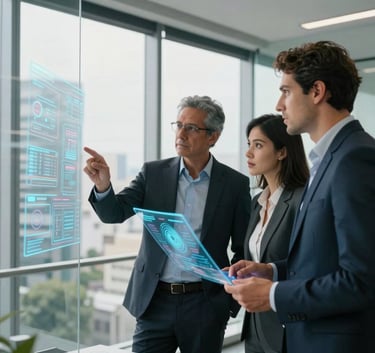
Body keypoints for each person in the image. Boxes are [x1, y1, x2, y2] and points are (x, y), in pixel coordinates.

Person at [224, 40, 375, 353]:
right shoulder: (330, 159)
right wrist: (272, 271)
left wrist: (273, 294)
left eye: (286, 91)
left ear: (317, 92)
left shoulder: (354, 158)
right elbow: (325, 258)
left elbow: (362, 280)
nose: (280, 105)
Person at [83, 95, 251, 353]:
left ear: (213, 137)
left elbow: (243, 249)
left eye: (191, 128)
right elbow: (114, 213)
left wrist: (229, 302)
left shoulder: (234, 184)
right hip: (155, 301)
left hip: (204, 303)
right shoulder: (154, 173)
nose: (181, 134)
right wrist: (103, 185)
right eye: (178, 125)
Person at [238, 114, 309, 353]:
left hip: (287, 325)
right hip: (256, 325)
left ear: (282, 151)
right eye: (249, 144)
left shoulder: (302, 199)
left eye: (258, 145)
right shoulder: (257, 202)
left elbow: (308, 264)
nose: (249, 153)